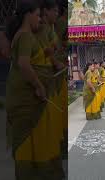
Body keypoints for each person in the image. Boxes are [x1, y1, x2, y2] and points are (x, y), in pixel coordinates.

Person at [5, 1, 64, 179]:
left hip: (30, 96)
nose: (40, 19)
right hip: (26, 97)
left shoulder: (26, 35)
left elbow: (34, 59)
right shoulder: (25, 36)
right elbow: (23, 64)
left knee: (37, 137)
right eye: (38, 15)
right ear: (27, 15)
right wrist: (39, 86)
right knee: (27, 140)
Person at [38, 0, 67, 160]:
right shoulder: (42, 29)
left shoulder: (52, 27)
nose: (56, 14)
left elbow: (56, 48)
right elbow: (46, 52)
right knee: (51, 112)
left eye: (57, 11)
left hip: (57, 74)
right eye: (54, 11)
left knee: (58, 111)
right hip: (49, 74)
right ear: (45, 11)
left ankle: (58, 144)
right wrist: (56, 62)